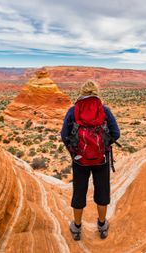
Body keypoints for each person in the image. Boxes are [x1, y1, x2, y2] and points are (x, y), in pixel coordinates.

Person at [61, 80, 120, 241]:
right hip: (101, 160)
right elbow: (116, 133)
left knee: (79, 193)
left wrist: (75, 152)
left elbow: (64, 135)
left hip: (80, 161)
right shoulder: (104, 110)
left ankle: (77, 228)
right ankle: (102, 226)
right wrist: (104, 147)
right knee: (102, 192)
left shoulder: (73, 111)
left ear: (81, 92)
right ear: (96, 92)